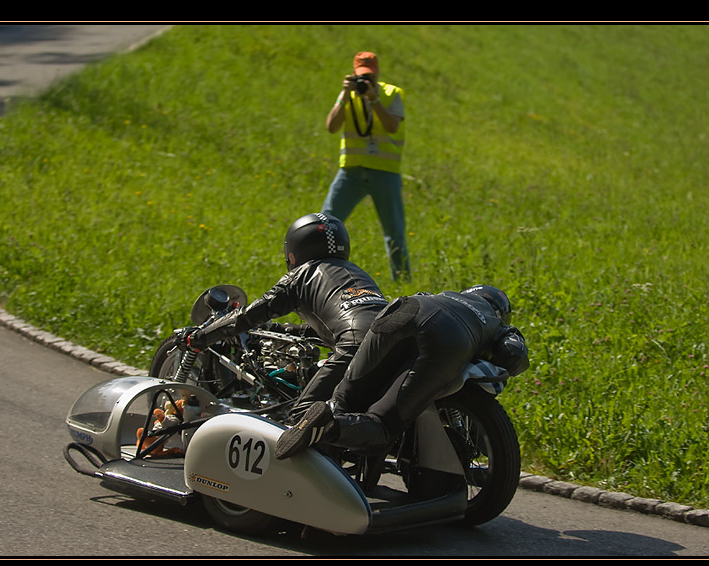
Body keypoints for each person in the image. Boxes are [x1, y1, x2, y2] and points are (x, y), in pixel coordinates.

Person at [275, 285, 530, 460]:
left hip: (408, 307)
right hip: (450, 337)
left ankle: (324, 418)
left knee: (346, 398)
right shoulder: (497, 324)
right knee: (383, 426)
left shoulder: (444, 294)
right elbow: (513, 354)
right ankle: (328, 426)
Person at [186, 213, 389, 418]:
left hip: (355, 348)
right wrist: (284, 329)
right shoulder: (359, 274)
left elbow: (248, 316)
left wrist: (202, 337)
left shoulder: (301, 275)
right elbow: (339, 324)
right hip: (398, 339)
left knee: (300, 417)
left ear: (293, 252)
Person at [323, 51, 411, 280]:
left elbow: (392, 125)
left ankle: (402, 283)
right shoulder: (347, 95)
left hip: (384, 173)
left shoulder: (391, 94)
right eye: (362, 76)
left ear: (377, 73)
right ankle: (315, 277)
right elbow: (331, 126)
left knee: (394, 234)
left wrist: (374, 99)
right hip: (351, 171)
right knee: (323, 226)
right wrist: (344, 93)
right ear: (353, 74)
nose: (366, 81)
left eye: (370, 76)